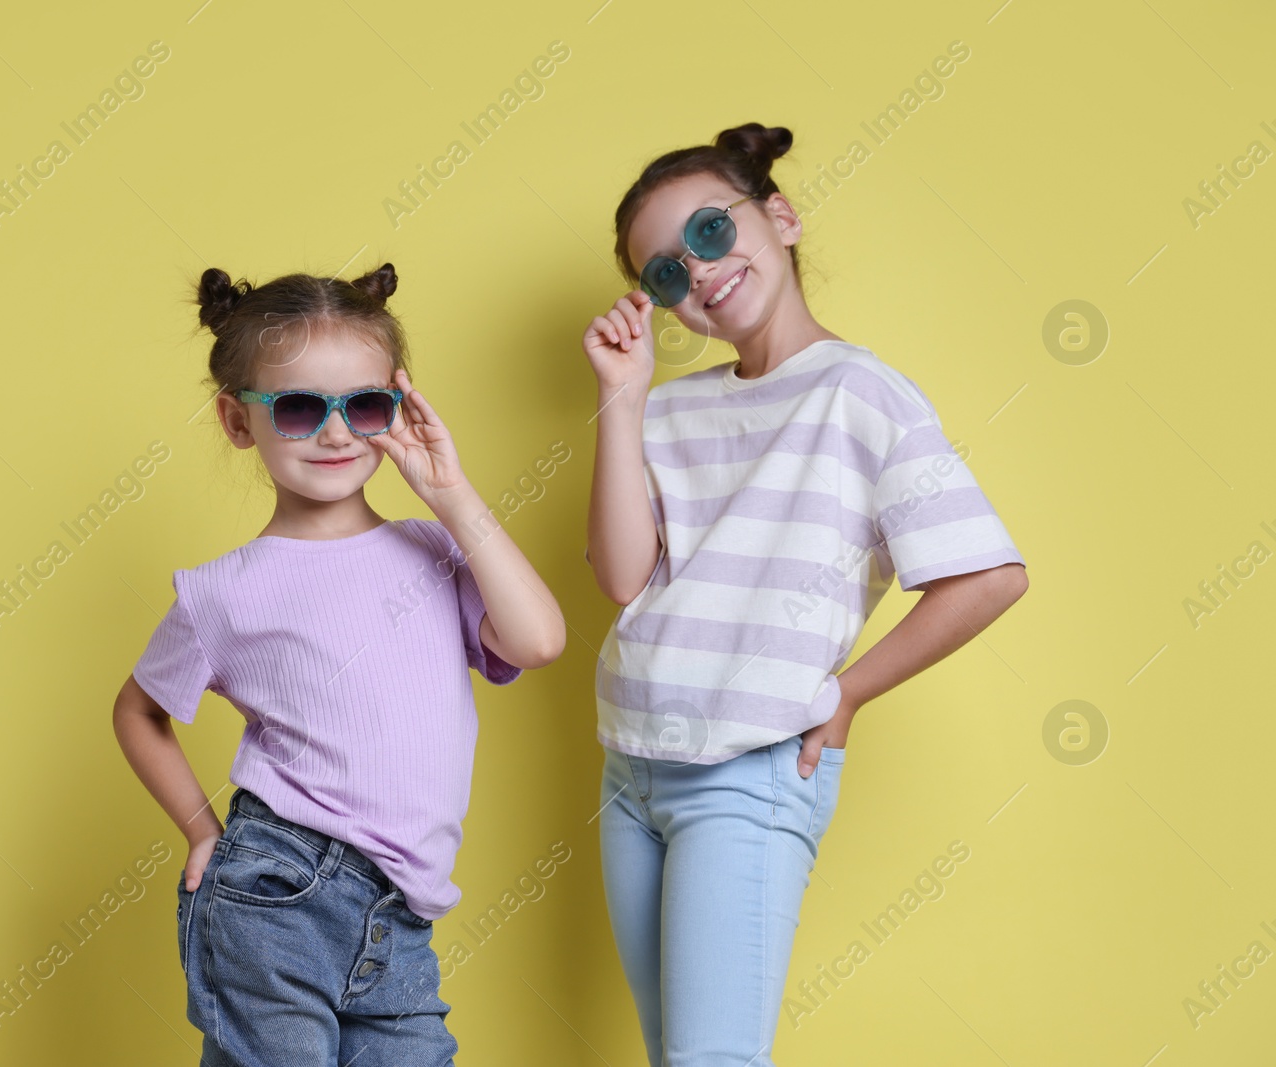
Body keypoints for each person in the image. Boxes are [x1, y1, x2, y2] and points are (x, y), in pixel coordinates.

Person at [581, 121, 1029, 1065]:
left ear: (778, 217)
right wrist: (622, 396)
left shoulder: (861, 393)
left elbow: (989, 573)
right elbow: (623, 576)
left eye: (709, 233)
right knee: (675, 1055)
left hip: (748, 769)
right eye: (665, 272)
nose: (697, 274)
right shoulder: (669, 406)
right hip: (632, 764)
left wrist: (848, 690)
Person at [113, 262, 566, 1066]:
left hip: (401, 915)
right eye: (297, 408)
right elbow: (139, 711)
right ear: (236, 420)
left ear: (399, 406)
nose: (336, 433)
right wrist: (199, 830)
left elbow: (537, 641)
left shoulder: (433, 549)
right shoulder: (222, 593)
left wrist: (451, 492)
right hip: (277, 895)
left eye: (365, 405)